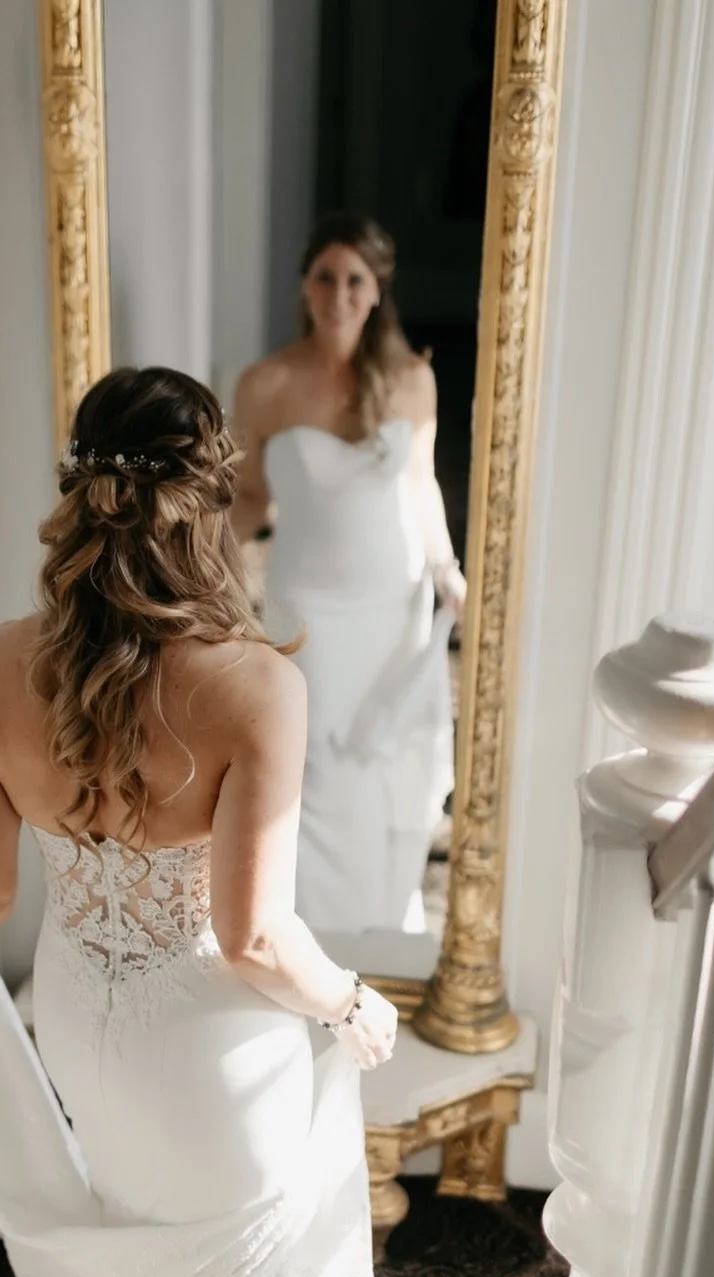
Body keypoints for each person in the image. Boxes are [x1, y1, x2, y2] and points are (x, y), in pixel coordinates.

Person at [0, 367, 397, 1277]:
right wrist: (350, 1002)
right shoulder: (254, 689)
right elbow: (254, 941)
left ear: (78, 490)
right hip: (214, 1055)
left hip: (83, 1025)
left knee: (150, 1248)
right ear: (211, 505)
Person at [231, 213, 465, 934]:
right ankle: (307, 934)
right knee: (318, 766)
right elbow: (246, 498)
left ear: (376, 290)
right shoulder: (264, 384)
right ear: (305, 284)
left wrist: (447, 568)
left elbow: (421, 483)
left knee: (383, 768)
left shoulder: (410, 380)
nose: (338, 294)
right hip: (310, 611)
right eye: (326, 277)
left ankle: (381, 927)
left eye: (354, 280)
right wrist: (197, 568)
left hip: (392, 605)